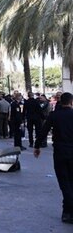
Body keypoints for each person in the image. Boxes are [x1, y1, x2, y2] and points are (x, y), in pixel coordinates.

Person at [34, 92, 73, 224]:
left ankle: (67, 212)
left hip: (60, 152)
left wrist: (37, 146)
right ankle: (67, 212)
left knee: (64, 183)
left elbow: (44, 130)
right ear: (71, 102)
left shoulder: (54, 115)